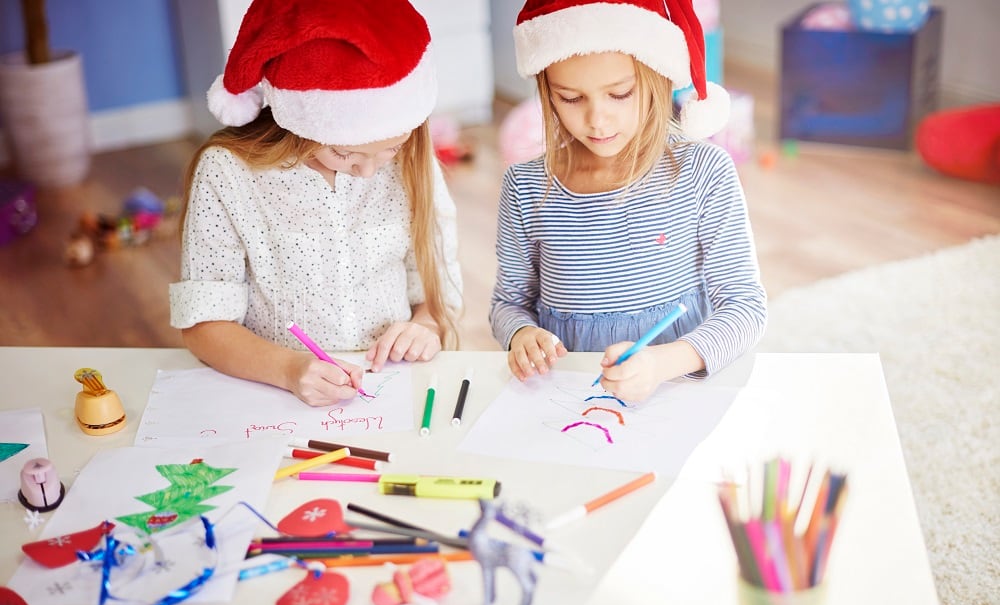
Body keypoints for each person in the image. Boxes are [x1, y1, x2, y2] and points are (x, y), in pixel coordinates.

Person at [169, 0, 462, 407]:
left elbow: (437, 295)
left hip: (389, 394)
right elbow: (204, 325)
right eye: (344, 153)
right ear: (304, 121)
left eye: (390, 148)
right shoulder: (227, 172)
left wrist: (426, 327)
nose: (368, 172)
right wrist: (289, 370)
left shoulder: (414, 162)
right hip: (272, 397)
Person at [490, 0, 767, 403]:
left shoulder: (705, 171)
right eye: (570, 98)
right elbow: (508, 303)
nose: (597, 120)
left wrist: (662, 364)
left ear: (658, 77)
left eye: (620, 94)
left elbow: (745, 307)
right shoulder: (525, 186)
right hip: (569, 401)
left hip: (677, 393)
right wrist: (521, 334)